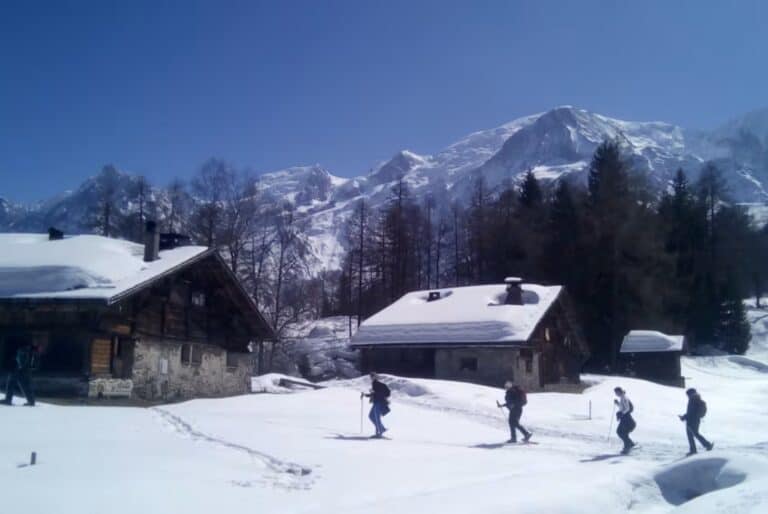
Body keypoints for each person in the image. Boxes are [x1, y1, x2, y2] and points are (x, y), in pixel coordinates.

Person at [679, 388, 713, 456]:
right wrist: (685, 417)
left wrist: (683, 417)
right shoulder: (696, 399)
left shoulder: (692, 400)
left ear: (690, 393)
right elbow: (691, 412)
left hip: (692, 420)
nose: (687, 396)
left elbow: (691, 412)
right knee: (692, 435)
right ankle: (696, 449)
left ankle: (706, 445)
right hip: (695, 420)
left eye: (687, 394)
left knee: (694, 435)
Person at [2, 342, 39, 406]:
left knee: (12, 383)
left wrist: (19, 366)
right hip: (25, 370)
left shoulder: (23, 349)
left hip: (19, 370)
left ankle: (8, 399)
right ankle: (31, 401)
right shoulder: (32, 351)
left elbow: (21, 360)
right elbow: (33, 364)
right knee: (25, 385)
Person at [361, 372, 390, 438]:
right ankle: (381, 429)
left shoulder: (378, 384)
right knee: (371, 416)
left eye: (373, 376)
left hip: (379, 402)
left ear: (376, 377)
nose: (371, 377)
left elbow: (387, 393)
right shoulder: (374, 384)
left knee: (376, 417)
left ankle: (379, 432)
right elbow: (374, 394)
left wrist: (376, 393)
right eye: (371, 376)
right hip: (376, 402)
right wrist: (366, 395)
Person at [613, 387, 636, 455]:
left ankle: (628, 447)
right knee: (620, 432)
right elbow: (622, 407)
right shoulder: (622, 398)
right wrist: (617, 403)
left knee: (621, 432)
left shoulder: (624, 398)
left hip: (627, 419)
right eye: (615, 392)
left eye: (616, 392)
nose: (616, 394)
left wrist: (621, 414)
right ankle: (630, 444)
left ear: (620, 391)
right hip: (625, 418)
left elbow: (627, 408)